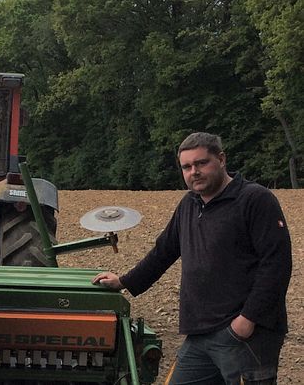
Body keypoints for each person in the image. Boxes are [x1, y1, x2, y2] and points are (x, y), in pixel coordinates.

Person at [92, 132, 292, 385]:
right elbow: (163, 252)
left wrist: (246, 321)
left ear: (221, 159)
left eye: (201, 163)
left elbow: (276, 265)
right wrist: (124, 281)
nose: (193, 172)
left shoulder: (254, 200)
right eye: (186, 167)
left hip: (244, 335)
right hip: (200, 333)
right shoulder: (190, 204)